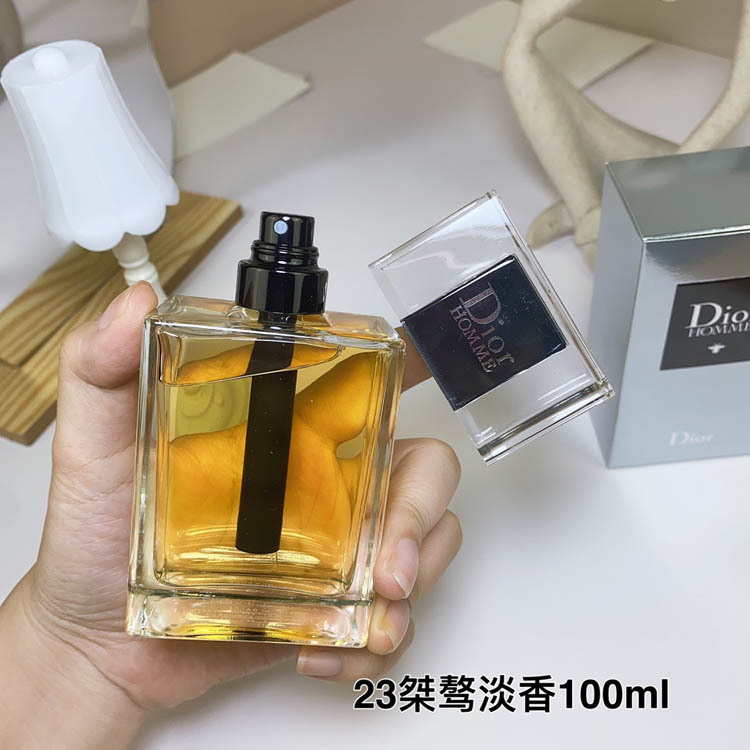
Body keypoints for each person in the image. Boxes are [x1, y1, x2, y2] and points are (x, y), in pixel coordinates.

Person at [0, 283, 463, 748]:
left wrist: (80, 656)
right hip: (145, 612)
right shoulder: (176, 330)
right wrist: (79, 647)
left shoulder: (373, 349)